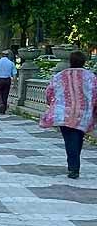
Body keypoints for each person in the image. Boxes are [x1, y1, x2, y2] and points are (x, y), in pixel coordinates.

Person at [40, 51, 97, 179]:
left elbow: (49, 91)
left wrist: (51, 103)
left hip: (64, 112)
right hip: (83, 113)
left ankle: (73, 167)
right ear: (84, 61)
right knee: (78, 137)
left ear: (70, 61)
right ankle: (74, 164)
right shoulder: (90, 77)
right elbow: (95, 93)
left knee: (69, 139)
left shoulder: (60, 76)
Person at [0, 50, 17, 114]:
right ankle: (3, 110)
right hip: (7, 80)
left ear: (1, 55)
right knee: (5, 95)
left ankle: (0, 104)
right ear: (8, 56)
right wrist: (15, 84)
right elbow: (14, 75)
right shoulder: (11, 63)